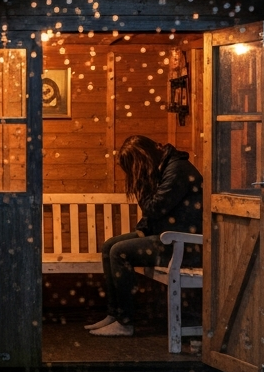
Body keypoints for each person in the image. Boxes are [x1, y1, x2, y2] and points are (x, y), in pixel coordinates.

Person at [87, 135, 203, 337]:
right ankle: (115, 314)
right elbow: (157, 212)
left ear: (143, 159)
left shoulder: (177, 170)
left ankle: (125, 322)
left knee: (119, 252)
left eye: (135, 168)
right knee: (109, 246)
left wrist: (140, 183)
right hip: (170, 237)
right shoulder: (163, 167)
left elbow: (155, 207)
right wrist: (142, 230)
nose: (135, 174)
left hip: (185, 244)